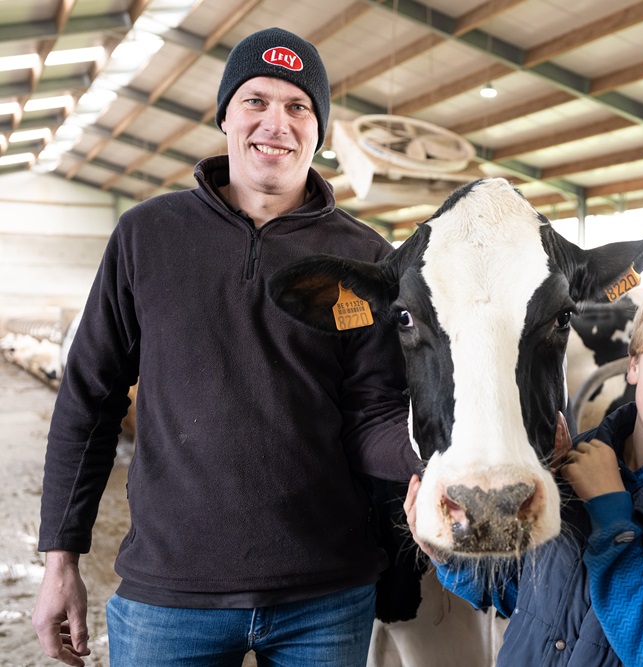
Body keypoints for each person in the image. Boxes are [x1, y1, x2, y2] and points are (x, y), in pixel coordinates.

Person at [32, 27, 421, 667]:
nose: (278, 122)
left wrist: (436, 457)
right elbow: (89, 400)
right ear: (224, 117)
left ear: (318, 129)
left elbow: (373, 413)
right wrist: (60, 559)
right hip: (169, 596)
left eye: (299, 107)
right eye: (256, 102)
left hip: (324, 598)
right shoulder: (146, 236)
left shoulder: (366, 257)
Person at [405, 281, 643, 666]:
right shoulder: (569, 461)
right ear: (634, 365)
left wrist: (610, 511)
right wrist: (450, 557)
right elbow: (522, 595)